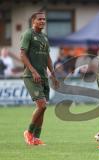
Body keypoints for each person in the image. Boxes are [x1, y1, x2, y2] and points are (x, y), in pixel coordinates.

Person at [20, 12, 59, 145]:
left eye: (44, 19)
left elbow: (47, 57)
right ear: (33, 21)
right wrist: (33, 71)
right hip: (31, 76)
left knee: (43, 107)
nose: (43, 21)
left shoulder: (44, 37)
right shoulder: (28, 34)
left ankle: (36, 138)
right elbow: (22, 54)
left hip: (43, 76)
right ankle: (29, 132)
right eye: (40, 19)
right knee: (41, 106)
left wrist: (53, 74)